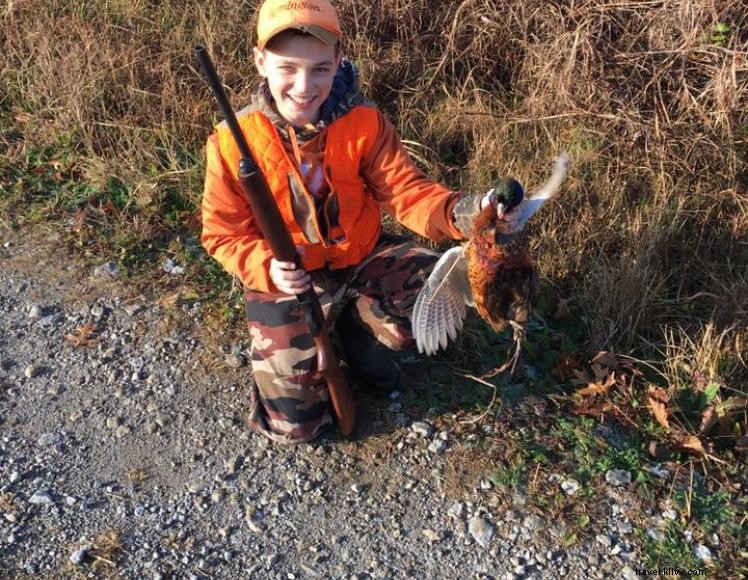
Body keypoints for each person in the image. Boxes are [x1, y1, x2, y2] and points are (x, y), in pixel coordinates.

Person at [200, 0, 519, 443]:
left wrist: (473, 211)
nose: (303, 85)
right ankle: (315, 351)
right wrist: (266, 268)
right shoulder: (231, 140)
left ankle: (354, 333)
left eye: (319, 69)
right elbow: (222, 233)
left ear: (338, 63)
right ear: (260, 61)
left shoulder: (365, 122)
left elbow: (409, 193)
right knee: (296, 429)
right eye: (287, 68)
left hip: (363, 256)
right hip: (289, 280)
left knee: (440, 283)